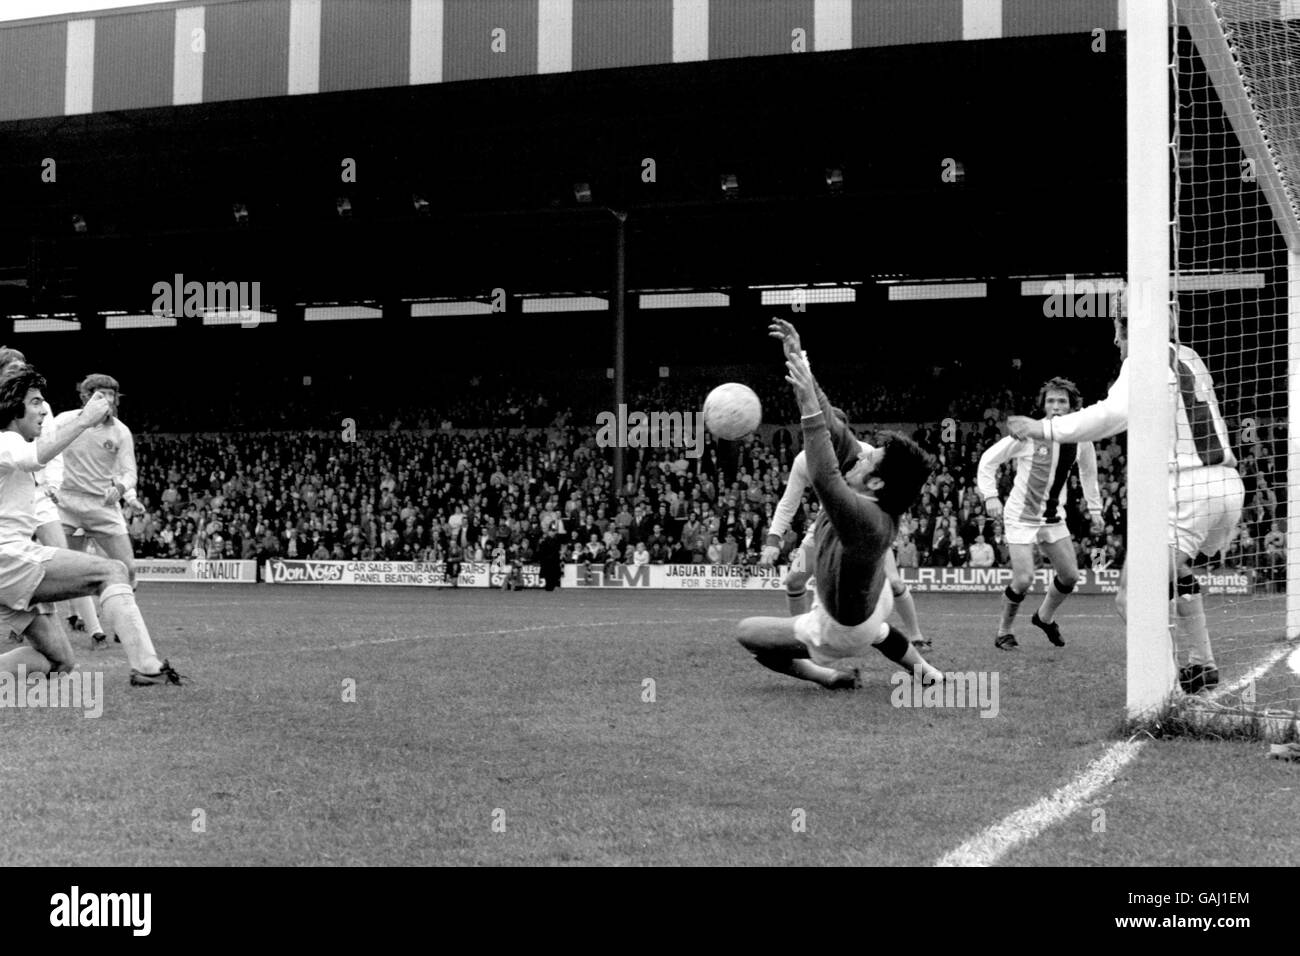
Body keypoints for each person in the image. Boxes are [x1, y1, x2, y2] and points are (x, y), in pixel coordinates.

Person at [1008, 314, 1243, 693]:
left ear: (1130, 331)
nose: (1117, 345)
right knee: (1176, 573)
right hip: (1226, 485)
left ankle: (1166, 690)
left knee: (1131, 595)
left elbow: (1110, 415)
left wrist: (1043, 427)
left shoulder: (1144, 360)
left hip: (1187, 488)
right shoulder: (1189, 356)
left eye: (1117, 335)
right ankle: (1203, 663)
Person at [737, 322, 942, 690]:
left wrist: (805, 405)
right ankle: (925, 670)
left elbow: (825, 475)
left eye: (867, 461)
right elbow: (831, 426)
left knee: (749, 633)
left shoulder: (866, 519)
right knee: (871, 623)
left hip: (839, 628)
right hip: (873, 607)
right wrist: (801, 361)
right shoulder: (876, 493)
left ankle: (828, 676)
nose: (858, 459)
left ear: (876, 482)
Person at [0, 364, 182, 685]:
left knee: (60, 663)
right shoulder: (6, 442)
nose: (44, 410)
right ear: (14, 409)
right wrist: (85, 420)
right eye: (35, 402)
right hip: (8, 561)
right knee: (112, 571)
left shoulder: (20, 444)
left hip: (14, 560)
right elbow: (33, 457)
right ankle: (147, 668)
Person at [980, 377, 1104, 650]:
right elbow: (988, 460)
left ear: (1072, 406)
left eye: (1062, 401)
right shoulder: (1028, 433)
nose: (1056, 406)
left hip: (1052, 517)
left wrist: (1095, 509)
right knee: (1024, 579)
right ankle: (1004, 632)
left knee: (1070, 576)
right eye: (1051, 401)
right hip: (1020, 516)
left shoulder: (1081, 438)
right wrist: (990, 495)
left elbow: (1088, 473)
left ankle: (1044, 617)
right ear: (1044, 405)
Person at [48, 374, 146, 650]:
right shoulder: (65, 421)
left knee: (127, 569)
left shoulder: (120, 432)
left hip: (102, 505)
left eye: (111, 394)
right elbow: (44, 452)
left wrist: (123, 488)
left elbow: (129, 473)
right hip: (66, 504)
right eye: (99, 394)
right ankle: (95, 632)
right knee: (71, 570)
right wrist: (49, 485)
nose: (106, 400)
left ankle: (121, 626)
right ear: (85, 397)